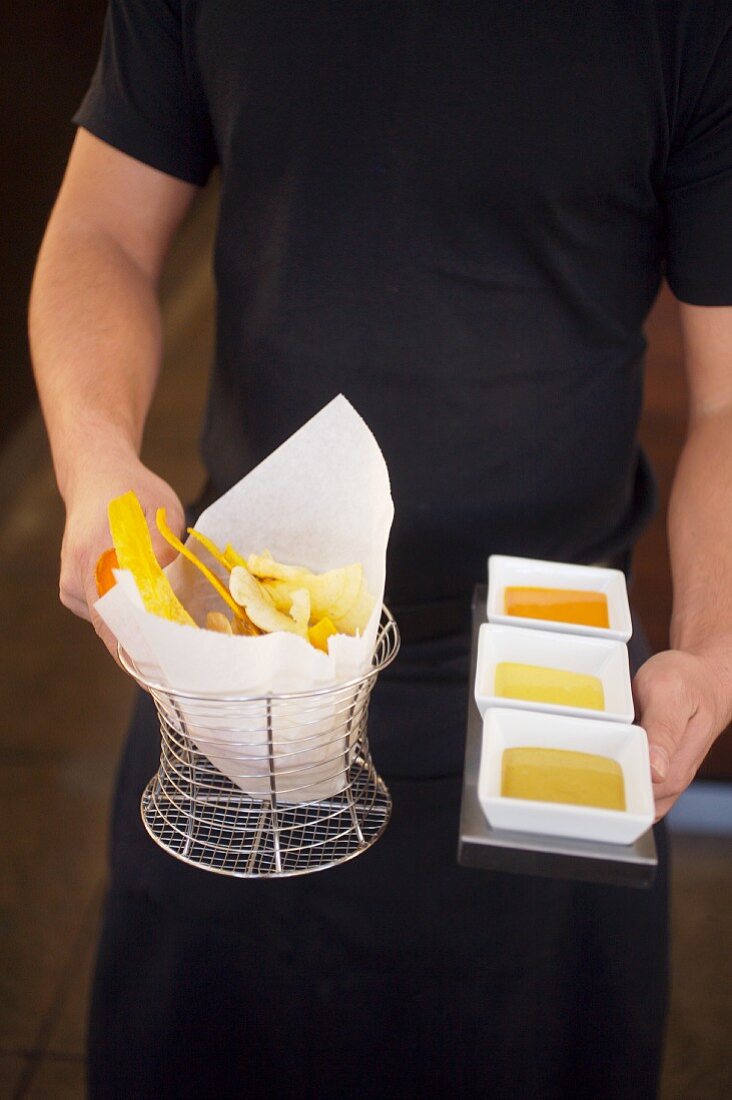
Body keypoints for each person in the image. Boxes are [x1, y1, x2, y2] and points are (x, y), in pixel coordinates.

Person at [29, 2, 732, 1097]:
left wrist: (714, 640)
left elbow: (729, 397)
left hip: (551, 671)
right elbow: (102, 231)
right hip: (244, 654)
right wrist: (94, 456)